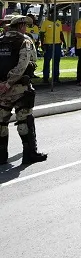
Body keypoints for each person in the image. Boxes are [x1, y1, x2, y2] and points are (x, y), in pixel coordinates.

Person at [0, 15, 48, 165]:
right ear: (21, 26)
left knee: (1, 122)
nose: (26, 28)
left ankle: (1, 155)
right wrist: (9, 83)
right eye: (25, 25)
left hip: (1, 90)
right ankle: (30, 154)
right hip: (19, 88)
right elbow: (23, 65)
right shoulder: (24, 41)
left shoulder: (0, 39)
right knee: (24, 120)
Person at [39, 9, 66, 84]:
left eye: (57, 13)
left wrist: (64, 41)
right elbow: (41, 34)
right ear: (50, 14)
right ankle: (45, 78)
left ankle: (56, 78)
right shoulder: (45, 23)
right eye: (55, 13)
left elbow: (61, 33)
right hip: (48, 45)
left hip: (57, 44)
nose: (56, 15)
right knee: (47, 61)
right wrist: (42, 44)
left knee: (56, 61)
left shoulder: (58, 22)